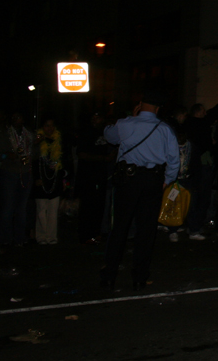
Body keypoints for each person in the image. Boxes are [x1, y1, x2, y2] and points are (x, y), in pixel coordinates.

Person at [100, 88, 179, 291]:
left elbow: (109, 136)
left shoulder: (126, 124)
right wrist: (167, 180)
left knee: (120, 228)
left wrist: (130, 117)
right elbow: (174, 160)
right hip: (152, 180)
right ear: (158, 108)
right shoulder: (164, 128)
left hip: (128, 179)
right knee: (146, 230)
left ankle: (109, 275)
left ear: (141, 104)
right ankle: (140, 277)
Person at [183, 88, 218, 241]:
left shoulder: (187, 124)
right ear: (199, 112)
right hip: (202, 164)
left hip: (190, 164)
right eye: (203, 112)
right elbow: (215, 111)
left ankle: (191, 225)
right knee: (202, 197)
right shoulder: (200, 123)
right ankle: (195, 228)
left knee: (193, 196)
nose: (206, 114)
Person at [0, 112, 34, 247]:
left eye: (19, 117)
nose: (17, 119)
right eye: (14, 117)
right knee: (8, 207)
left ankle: (19, 238)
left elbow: (35, 152)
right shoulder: (4, 134)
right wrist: (8, 155)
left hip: (25, 173)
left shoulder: (29, 134)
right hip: (9, 173)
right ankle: (5, 239)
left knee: (22, 208)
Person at [76, 113, 114, 245]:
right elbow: (82, 154)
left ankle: (96, 233)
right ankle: (86, 234)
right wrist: (103, 158)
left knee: (100, 204)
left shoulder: (105, 132)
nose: (96, 119)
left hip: (101, 174)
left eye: (98, 116)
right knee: (88, 205)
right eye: (94, 116)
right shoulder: (86, 133)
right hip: (88, 175)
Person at [32, 118, 65, 244]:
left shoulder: (59, 141)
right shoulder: (37, 142)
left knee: (53, 211)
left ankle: (51, 237)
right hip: (41, 179)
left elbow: (63, 161)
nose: (49, 129)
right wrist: (36, 178)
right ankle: (41, 236)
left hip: (54, 179)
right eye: (46, 126)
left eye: (52, 126)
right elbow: (33, 161)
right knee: (41, 210)